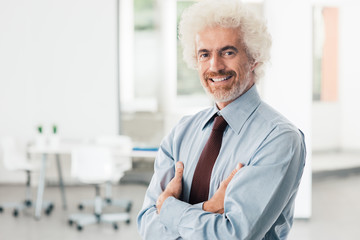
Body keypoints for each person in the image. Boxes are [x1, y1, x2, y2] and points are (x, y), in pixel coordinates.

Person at [137, 0, 306, 239]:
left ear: (254, 57)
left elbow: (234, 235)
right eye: (204, 54)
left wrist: (169, 208)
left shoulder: (279, 139)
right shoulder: (182, 132)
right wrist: (208, 210)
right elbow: (147, 224)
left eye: (228, 52)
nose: (215, 66)